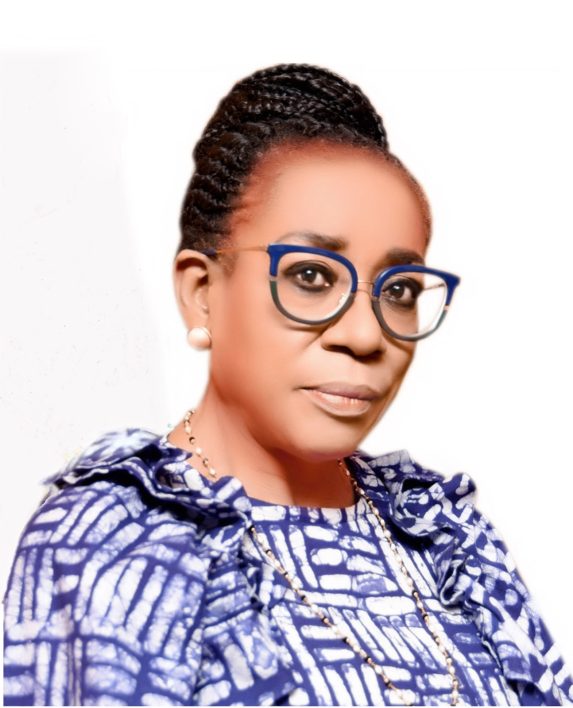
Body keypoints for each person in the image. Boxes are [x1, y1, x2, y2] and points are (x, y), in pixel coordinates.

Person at [3, 63, 571, 707]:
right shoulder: (120, 540)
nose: (365, 335)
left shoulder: (442, 535)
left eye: (400, 290)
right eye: (310, 277)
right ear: (201, 292)